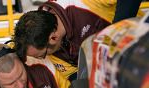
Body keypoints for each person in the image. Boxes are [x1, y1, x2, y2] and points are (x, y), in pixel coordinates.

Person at [13, 0, 144, 66]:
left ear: (53, 38)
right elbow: (76, 77)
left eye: (43, 55)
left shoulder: (82, 3)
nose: (44, 59)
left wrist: (117, 35)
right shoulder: (50, 47)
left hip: (141, 40)